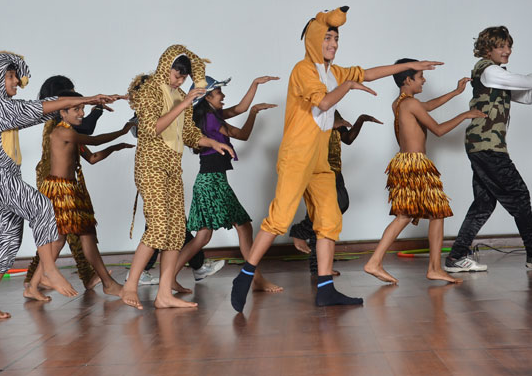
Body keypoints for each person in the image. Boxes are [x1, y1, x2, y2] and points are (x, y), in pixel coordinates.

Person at [230, 6, 442, 311]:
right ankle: (245, 276)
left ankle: (326, 289)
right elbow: (325, 101)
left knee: (329, 219)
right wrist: (349, 86)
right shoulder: (303, 70)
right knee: (279, 219)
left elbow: (368, 73)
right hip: (297, 155)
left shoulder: (334, 72)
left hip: (320, 160)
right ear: (314, 40)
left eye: (336, 39)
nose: (333, 44)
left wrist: (410, 65)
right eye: (327, 38)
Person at [0, 51, 119, 318]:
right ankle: (49, 271)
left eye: (16, 76)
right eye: (9, 76)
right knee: (42, 206)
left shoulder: (4, 104)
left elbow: (43, 109)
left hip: (7, 177)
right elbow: (35, 109)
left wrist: (90, 100)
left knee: (8, 238)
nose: (16, 81)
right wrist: (87, 99)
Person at [444, 26, 532, 273]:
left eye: (509, 46)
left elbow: (527, 96)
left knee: (484, 204)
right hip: (487, 146)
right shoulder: (489, 71)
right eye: (501, 46)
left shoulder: (496, 75)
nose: (507, 51)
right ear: (487, 49)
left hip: (483, 145)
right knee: (519, 194)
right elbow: (528, 80)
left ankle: (456, 257)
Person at [123, 45, 234, 310]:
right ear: (166, 67)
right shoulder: (149, 91)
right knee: (159, 228)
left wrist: (212, 142)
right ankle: (130, 286)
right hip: (151, 167)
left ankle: (164, 294)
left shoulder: (181, 94)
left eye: (184, 77)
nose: (179, 81)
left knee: (174, 232)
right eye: (177, 75)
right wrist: (184, 103)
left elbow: (189, 134)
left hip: (173, 168)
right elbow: (150, 128)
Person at [363, 60, 484, 284]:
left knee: (417, 214)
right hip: (415, 165)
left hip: (405, 163)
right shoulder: (410, 103)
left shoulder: (400, 103)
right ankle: (429, 268)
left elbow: (426, 106)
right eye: (420, 77)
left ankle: (379, 262)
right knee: (427, 213)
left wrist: (455, 92)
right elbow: (438, 130)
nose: (424, 80)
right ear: (407, 80)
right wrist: (465, 115)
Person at [169, 75, 281, 294]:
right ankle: (256, 279)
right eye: (219, 92)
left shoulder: (212, 114)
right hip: (212, 181)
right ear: (207, 97)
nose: (223, 95)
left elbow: (239, 109)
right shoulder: (210, 119)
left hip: (209, 180)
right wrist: (253, 113)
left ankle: (169, 277)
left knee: (204, 236)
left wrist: (254, 86)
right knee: (242, 226)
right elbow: (242, 134)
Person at [24, 75, 130, 291]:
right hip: (59, 189)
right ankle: (35, 283)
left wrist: (115, 147)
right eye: (76, 107)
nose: (81, 111)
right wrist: (121, 130)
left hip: (71, 188)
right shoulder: (60, 129)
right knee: (62, 238)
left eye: (82, 107)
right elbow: (92, 136)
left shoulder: (69, 130)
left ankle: (36, 284)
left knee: (76, 236)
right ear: (61, 107)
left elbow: (92, 157)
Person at [289, 110, 382, 275]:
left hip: (335, 171)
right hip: (318, 171)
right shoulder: (311, 109)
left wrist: (361, 119)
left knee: (339, 206)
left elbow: (348, 139)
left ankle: (316, 262)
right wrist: (330, 124)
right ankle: (303, 236)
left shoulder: (333, 111)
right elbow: (305, 135)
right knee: (323, 216)